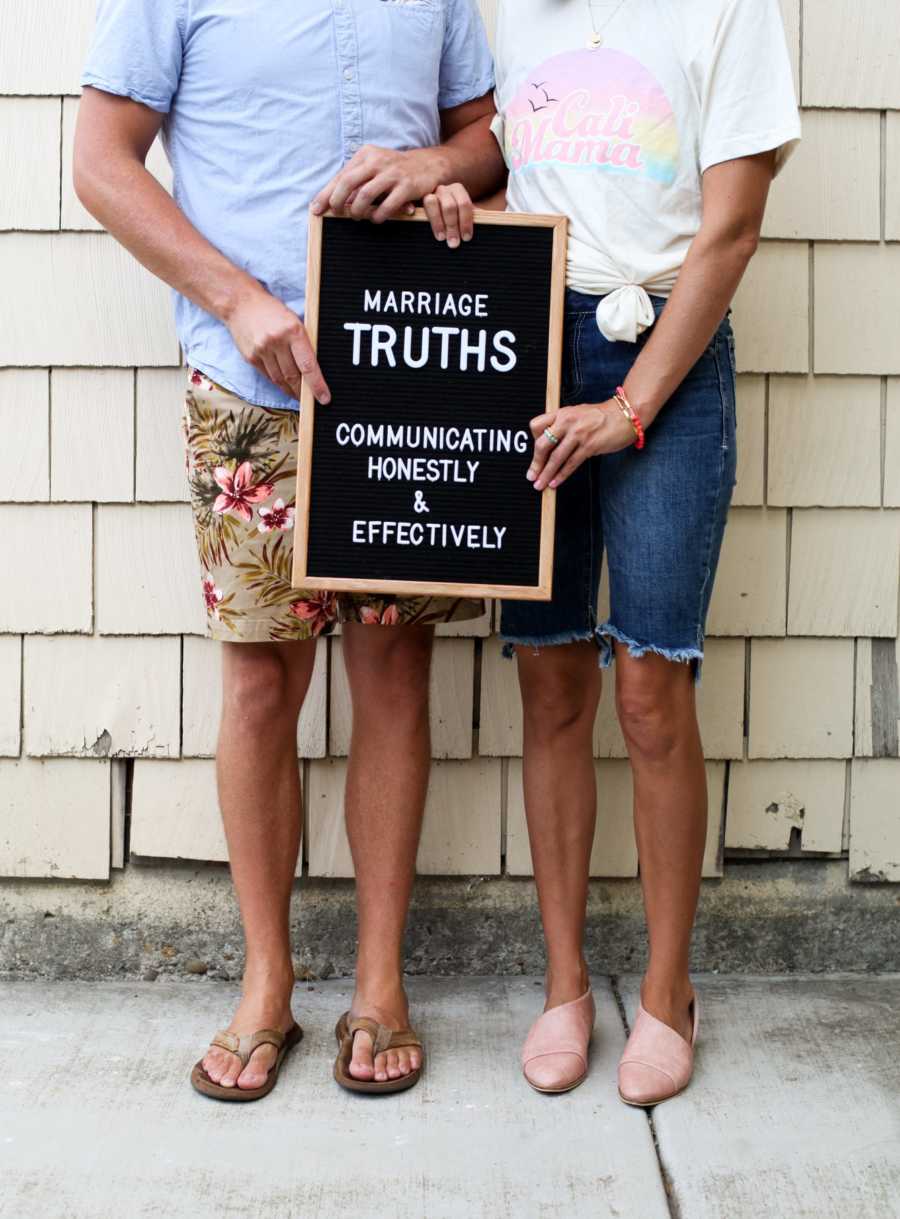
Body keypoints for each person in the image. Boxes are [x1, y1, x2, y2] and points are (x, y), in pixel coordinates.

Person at [74, 0, 503, 1099]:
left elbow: (491, 137)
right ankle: (268, 982)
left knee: (394, 672)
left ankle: (379, 983)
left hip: (406, 365)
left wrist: (435, 165)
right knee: (262, 683)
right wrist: (237, 296)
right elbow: (100, 162)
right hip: (247, 375)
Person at [463, 0, 801, 1102]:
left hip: (670, 348)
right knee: (552, 675)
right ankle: (563, 982)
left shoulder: (727, 13)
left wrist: (634, 404)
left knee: (653, 685)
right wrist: (462, 204)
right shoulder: (512, 16)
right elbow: (517, 175)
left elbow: (731, 228)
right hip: (534, 342)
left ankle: (666, 990)